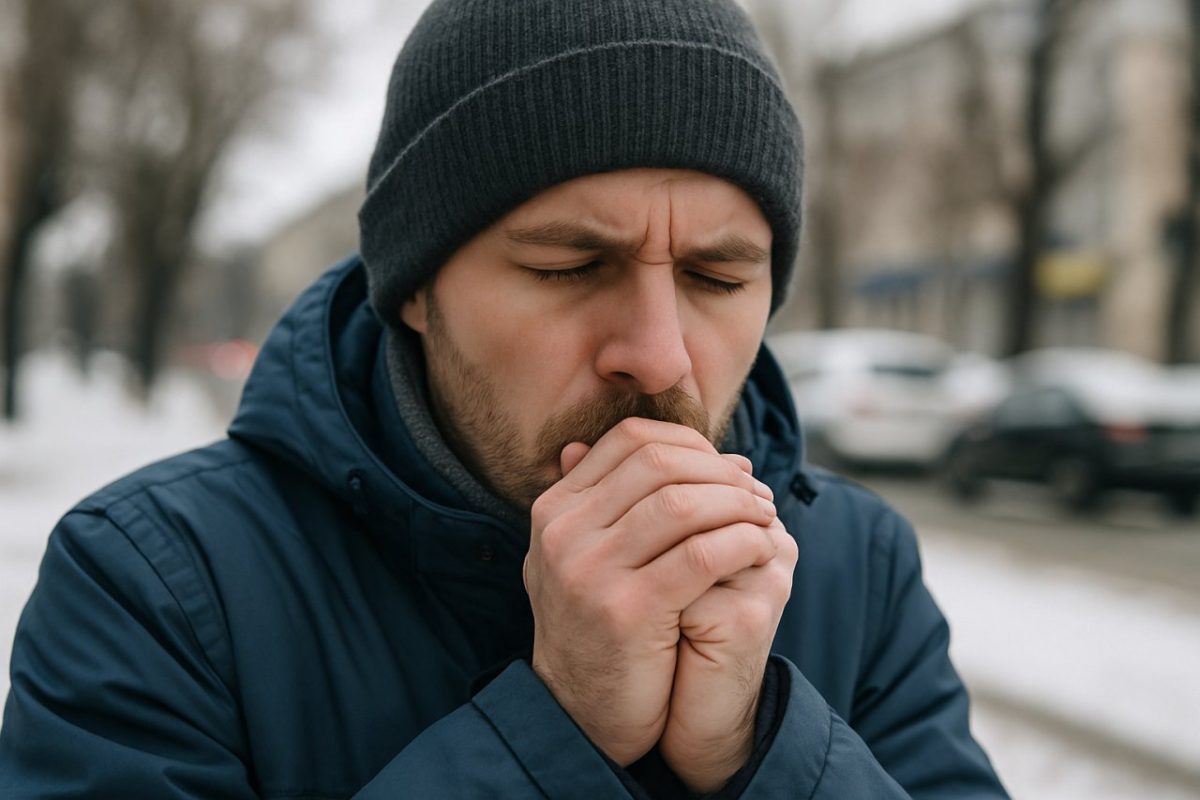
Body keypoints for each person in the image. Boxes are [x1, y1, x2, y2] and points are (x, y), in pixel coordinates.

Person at [0, 0, 1009, 797]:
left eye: (716, 277)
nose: (657, 357)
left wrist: (762, 751)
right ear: (419, 292)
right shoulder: (161, 584)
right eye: (572, 264)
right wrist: (554, 732)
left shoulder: (857, 570)